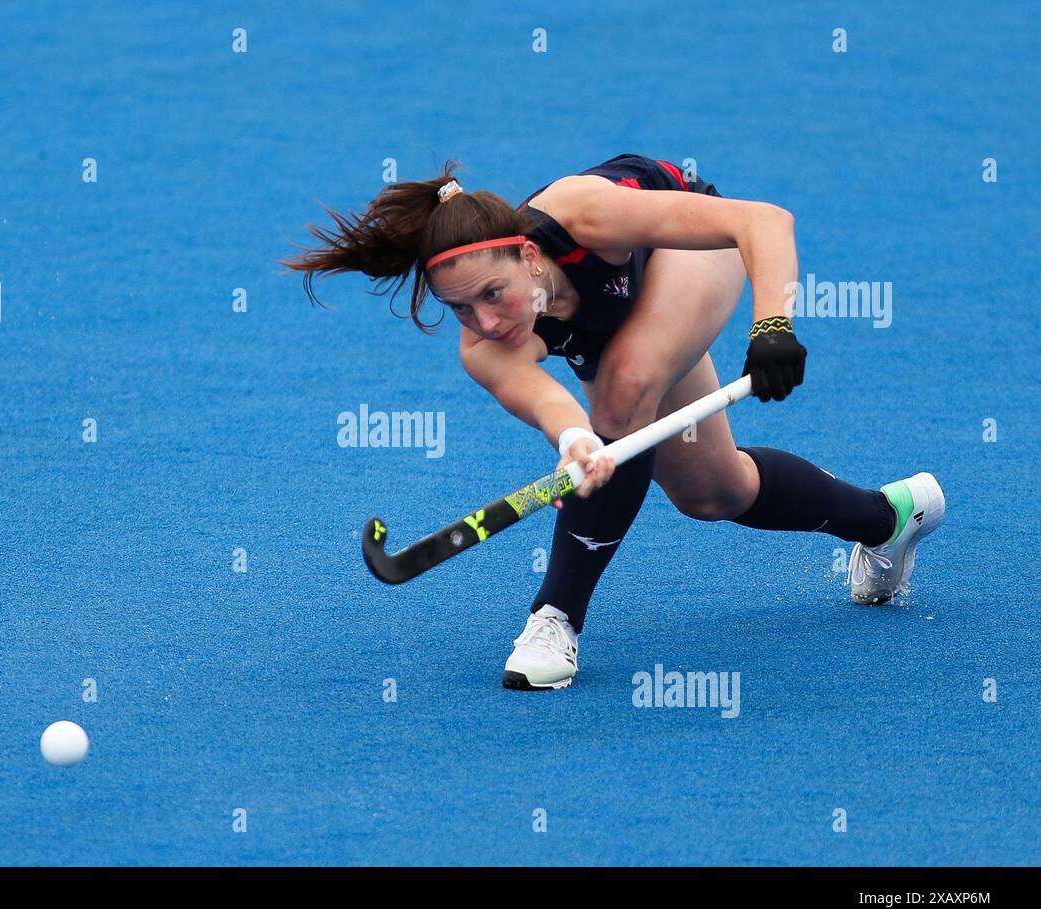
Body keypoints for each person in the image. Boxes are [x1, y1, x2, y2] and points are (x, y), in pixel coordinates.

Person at [282, 154, 944, 690]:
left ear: (528, 257)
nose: (486, 321)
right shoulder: (486, 347)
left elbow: (764, 222)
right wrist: (577, 442)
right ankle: (888, 519)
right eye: (462, 309)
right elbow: (551, 405)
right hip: (621, 335)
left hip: (682, 255)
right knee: (715, 491)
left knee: (624, 394)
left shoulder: (584, 215)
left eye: (493, 293)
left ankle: (556, 616)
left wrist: (773, 327)